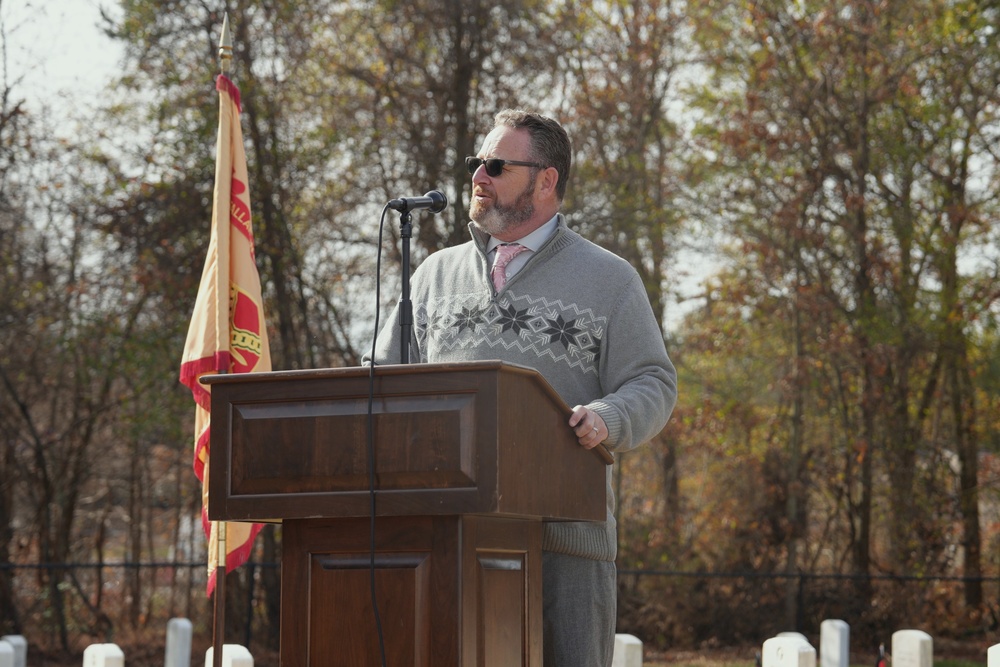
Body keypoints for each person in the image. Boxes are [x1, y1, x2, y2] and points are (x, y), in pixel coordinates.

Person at [369, 108, 677, 666]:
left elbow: (653, 381)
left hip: (565, 543)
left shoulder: (609, 279)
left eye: (495, 165)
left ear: (546, 180)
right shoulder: (432, 276)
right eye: (475, 165)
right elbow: (381, 380)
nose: (477, 178)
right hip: (448, 539)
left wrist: (608, 417)